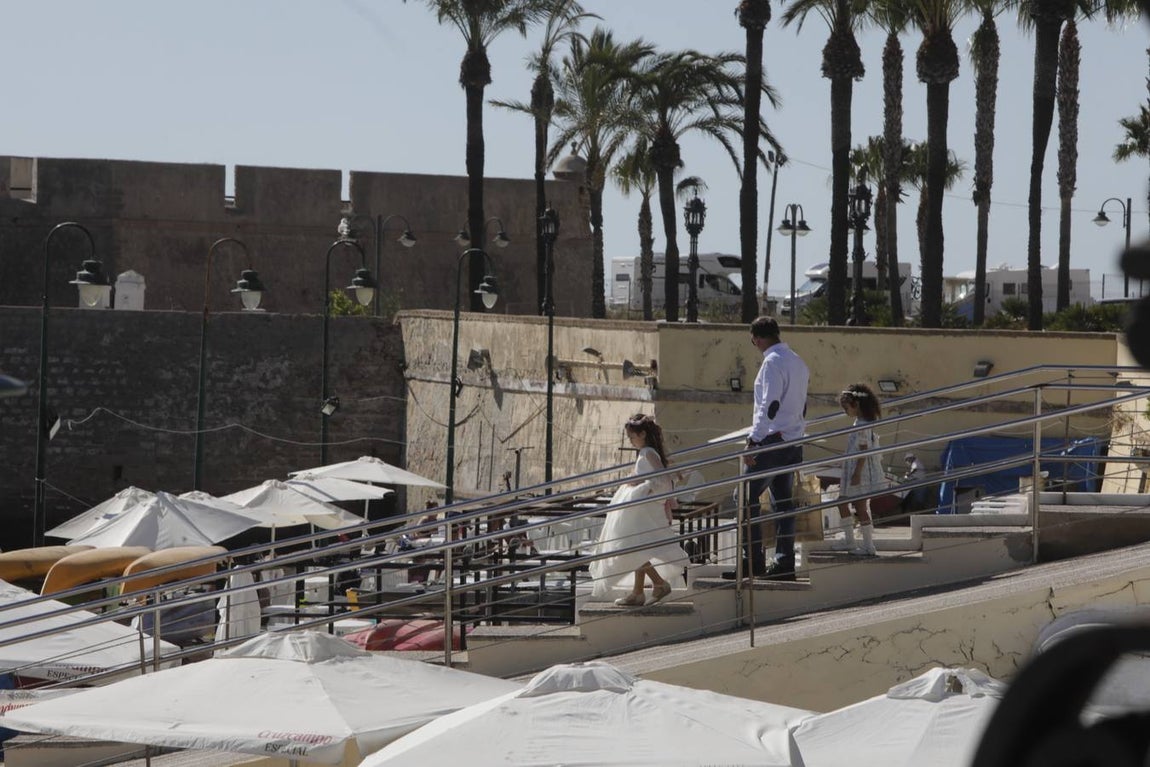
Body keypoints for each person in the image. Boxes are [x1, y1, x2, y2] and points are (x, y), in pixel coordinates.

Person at [723, 316, 810, 581]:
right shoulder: (798, 362)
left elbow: (768, 406)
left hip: (773, 441)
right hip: (793, 440)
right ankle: (784, 563)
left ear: (757, 338)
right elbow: (802, 404)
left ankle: (753, 562)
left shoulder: (772, 364)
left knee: (744, 499)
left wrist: (754, 441)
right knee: (783, 503)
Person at [590, 414, 688, 607]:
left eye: (632, 437)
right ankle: (638, 592)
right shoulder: (647, 452)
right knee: (636, 546)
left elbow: (661, 478)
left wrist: (643, 486)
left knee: (631, 547)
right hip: (641, 508)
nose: (631, 441)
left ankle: (658, 584)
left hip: (644, 508)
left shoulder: (648, 452)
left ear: (642, 434)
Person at [832, 383, 885, 557]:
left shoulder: (862, 425)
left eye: (846, 407)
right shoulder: (859, 423)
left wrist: (856, 473)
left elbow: (864, 451)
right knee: (842, 502)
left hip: (859, 472)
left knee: (860, 507)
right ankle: (850, 540)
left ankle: (868, 546)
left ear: (856, 405)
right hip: (854, 469)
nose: (845, 411)